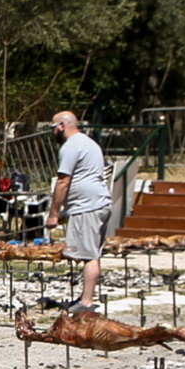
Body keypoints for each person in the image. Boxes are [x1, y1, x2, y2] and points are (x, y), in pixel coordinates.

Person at [45, 112, 112, 312]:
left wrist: (54, 214)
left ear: (62, 126)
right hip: (96, 203)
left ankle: (86, 303)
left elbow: (63, 181)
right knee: (90, 253)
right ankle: (85, 298)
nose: (53, 132)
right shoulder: (90, 143)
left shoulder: (71, 146)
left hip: (87, 206)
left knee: (89, 255)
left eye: (53, 128)